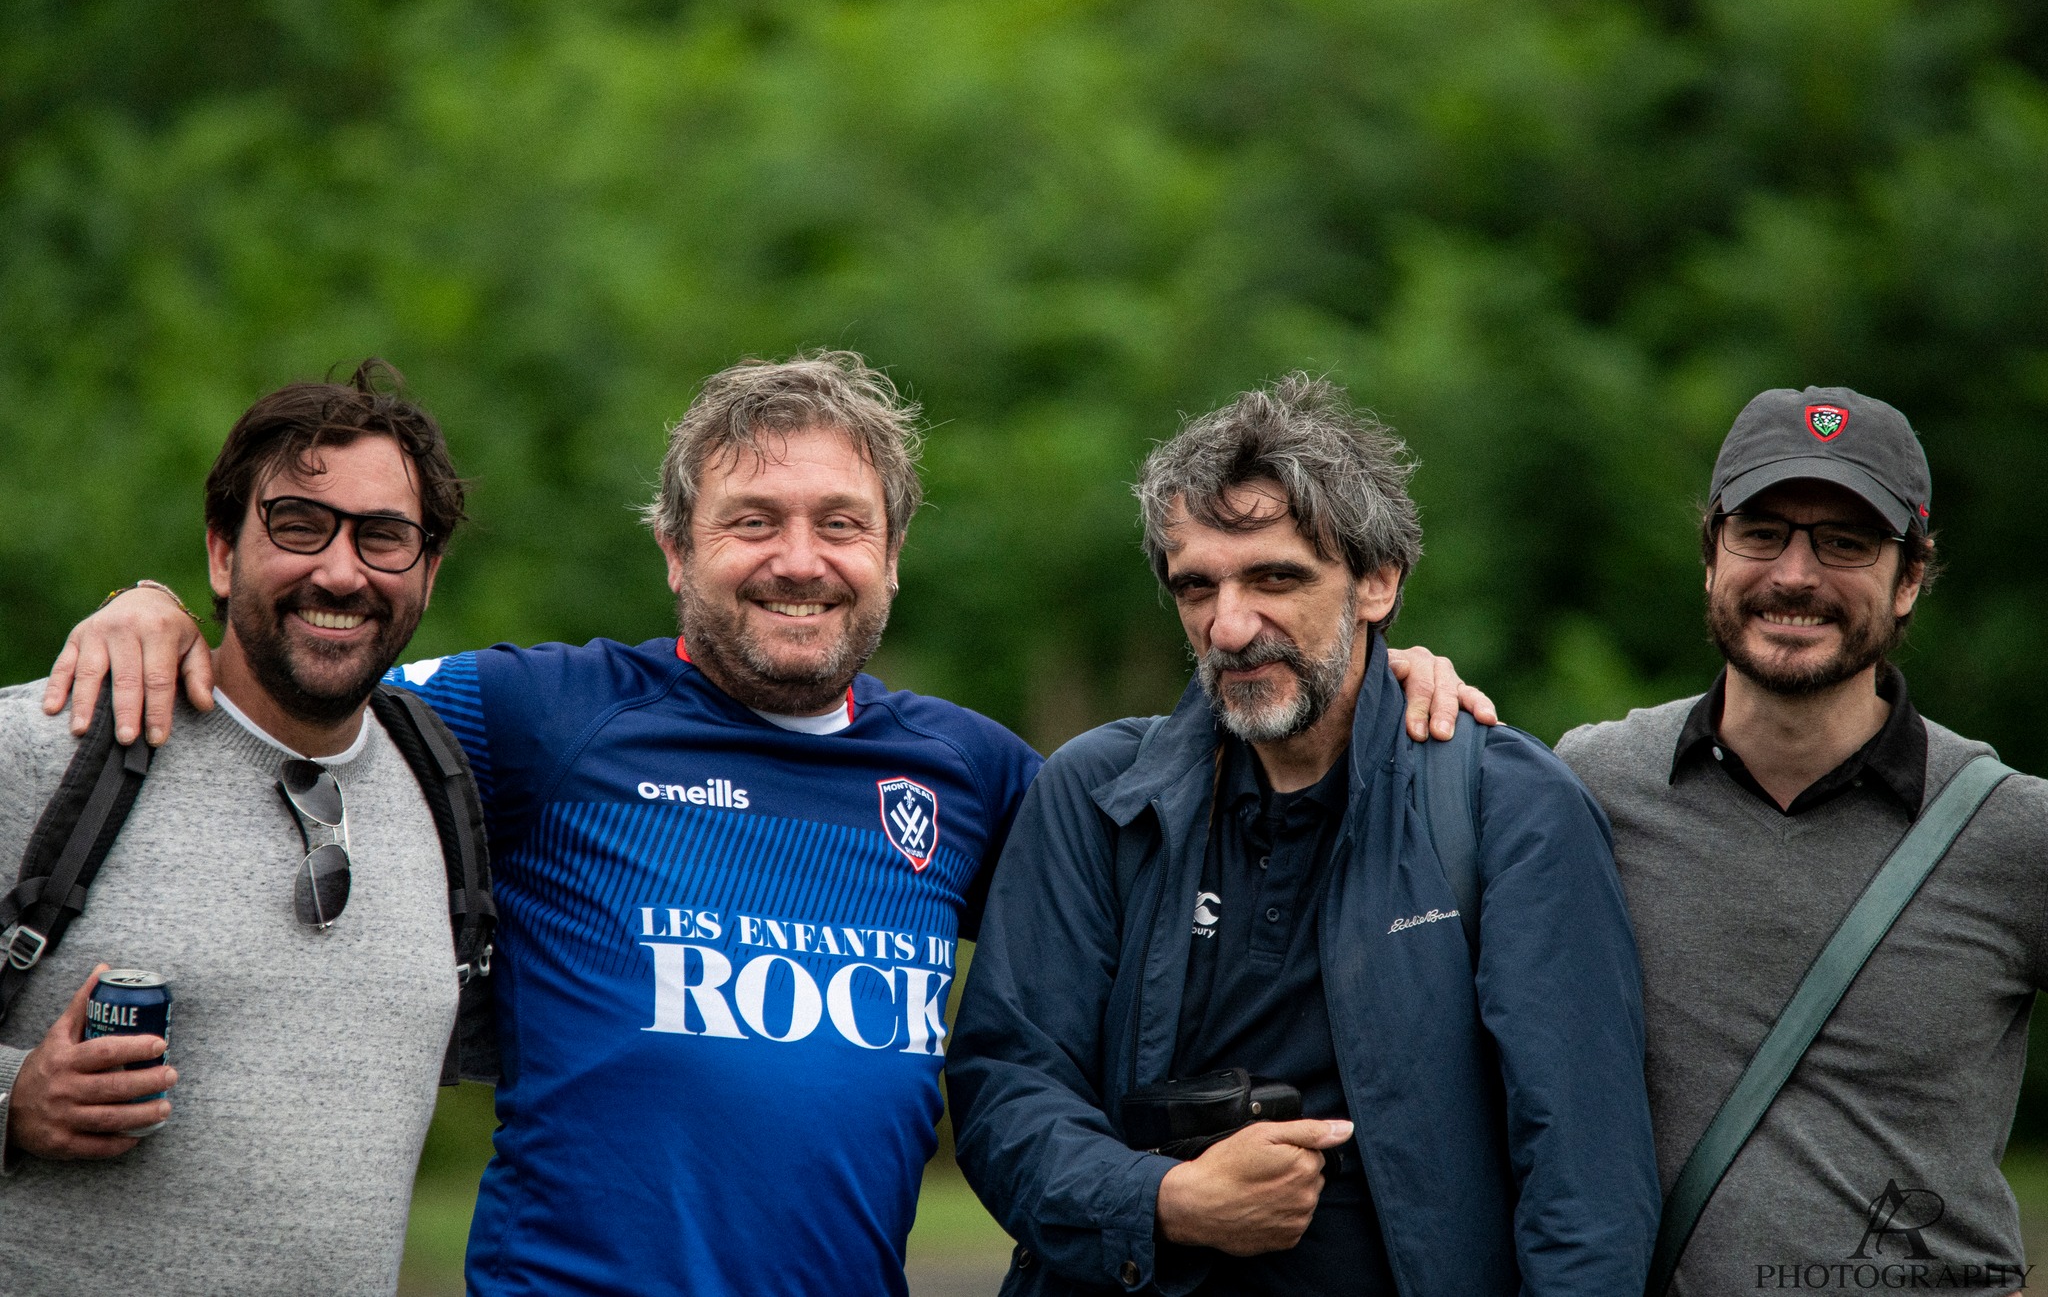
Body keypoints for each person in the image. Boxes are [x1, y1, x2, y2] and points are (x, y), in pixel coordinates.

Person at [53, 352, 1489, 1296]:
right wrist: (162, 606)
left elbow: (1224, 826)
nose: (798, 559)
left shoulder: (981, 775)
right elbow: (310, 673)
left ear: (893, 556)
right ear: (676, 548)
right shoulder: (541, 717)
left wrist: (1381, 679)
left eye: (839, 522)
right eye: (752, 521)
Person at [946, 374, 1661, 1296]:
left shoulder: (1507, 806)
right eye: (1196, 586)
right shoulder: (1096, 794)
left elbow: (1585, 1186)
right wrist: (1167, 1198)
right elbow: (1006, 1091)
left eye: (1276, 577)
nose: (1230, 625)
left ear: (1378, 580)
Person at [1555, 387, 2048, 1297]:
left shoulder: (2015, 833)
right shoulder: (1591, 786)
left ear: (1908, 579)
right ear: (1710, 557)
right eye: (1762, 533)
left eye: (1845, 543)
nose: (1795, 574)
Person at [0, 364, 475, 1292]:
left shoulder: (450, 785)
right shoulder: (49, 746)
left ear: (428, 572)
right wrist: (11, 1100)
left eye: (385, 538)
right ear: (221, 554)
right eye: (298, 525)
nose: (340, 570)